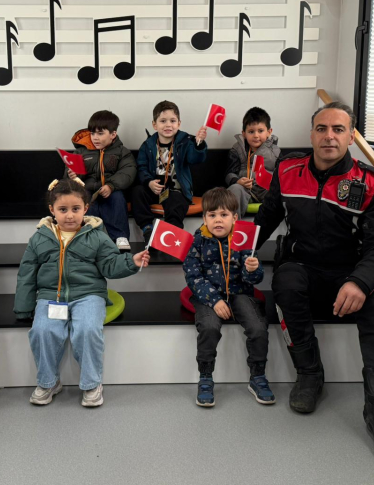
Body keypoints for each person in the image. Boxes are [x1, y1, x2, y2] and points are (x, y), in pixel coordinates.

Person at [253, 102, 374, 460]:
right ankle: (309, 375)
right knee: (285, 282)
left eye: (338, 129)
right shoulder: (287, 169)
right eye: (322, 128)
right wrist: (236, 251)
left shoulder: (373, 184)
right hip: (302, 266)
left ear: (351, 137)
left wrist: (360, 282)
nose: (329, 136)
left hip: (352, 274)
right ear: (311, 134)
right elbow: (266, 218)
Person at [14, 178, 150, 407]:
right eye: (63, 210)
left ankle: (91, 383)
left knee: (87, 330)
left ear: (85, 209)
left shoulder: (96, 235)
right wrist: (24, 308)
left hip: (88, 294)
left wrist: (131, 262)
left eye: (75, 209)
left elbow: (110, 264)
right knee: (42, 331)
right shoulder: (40, 237)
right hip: (51, 296)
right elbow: (26, 273)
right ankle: (48, 382)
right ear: (52, 210)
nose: (70, 215)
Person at [183, 188, 272, 408]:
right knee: (209, 327)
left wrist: (253, 269)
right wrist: (215, 300)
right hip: (208, 296)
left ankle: (258, 376)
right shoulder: (198, 242)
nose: (218, 220)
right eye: (212, 215)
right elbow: (193, 276)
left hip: (239, 292)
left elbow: (255, 279)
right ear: (204, 218)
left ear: (235, 218)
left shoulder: (244, 240)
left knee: (258, 328)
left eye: (224, 215)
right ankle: (205, 377)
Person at [132, 100, 208, 244]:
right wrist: (149, 182)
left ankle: (171, 235)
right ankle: (147, 229)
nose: (168, 125)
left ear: (179, 123)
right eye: (163, 121)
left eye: (172, 121)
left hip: (176, 191)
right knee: (137, 192)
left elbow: (196, 158)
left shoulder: (186, 141)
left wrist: (199, 144)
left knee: (175, 203)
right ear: (154, 125)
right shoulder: (148, 145)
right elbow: (141, 167)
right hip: (155, 190)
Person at [65, 110, 137, 251]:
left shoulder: (122, 152)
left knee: (117, 198)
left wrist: (111, 186)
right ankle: (88, 238)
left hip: (111, 190)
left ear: (113, 134)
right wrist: (74, 176)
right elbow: (69, 175)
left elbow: (128, 171)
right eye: (92, 133)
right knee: (84, 199)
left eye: (100, 133)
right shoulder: (81, 151)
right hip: (87, 190)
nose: (95, 138)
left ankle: (120, 237)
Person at [225, 107, 280, 216]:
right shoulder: (237, 149)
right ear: (244, 133)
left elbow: (282, 175)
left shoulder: (275, 151)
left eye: (260, 131)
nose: (256, 135)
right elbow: (229, 174)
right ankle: (232, 224)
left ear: (269, 132)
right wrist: (237, 181)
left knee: (283, 191)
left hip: (267, 192)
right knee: (234, 189)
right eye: (251, 132)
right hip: (245, 190)